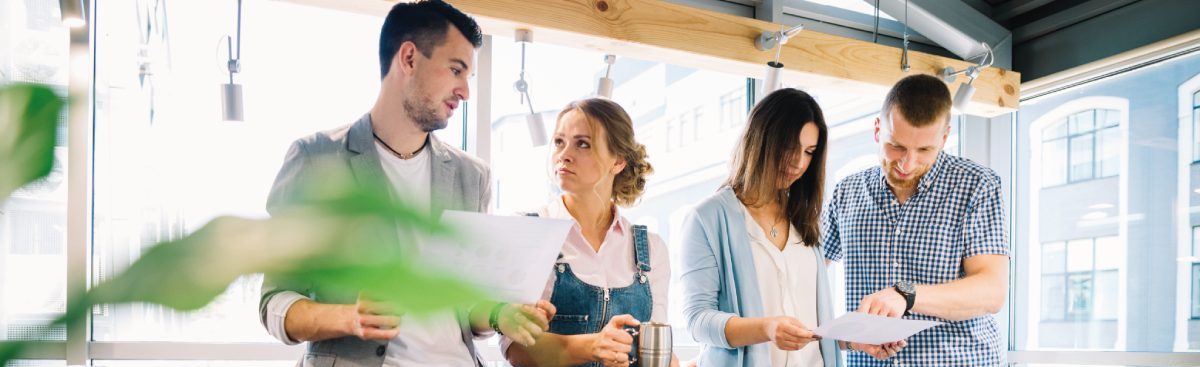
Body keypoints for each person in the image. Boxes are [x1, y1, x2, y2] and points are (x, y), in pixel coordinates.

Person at [258, 1, 550, 366]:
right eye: (456, 70)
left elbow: (465, 304)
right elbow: (275, 302)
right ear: (409, 58)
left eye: (468, 78)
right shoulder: (315, 159)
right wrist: (348, 317)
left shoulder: (472, 175)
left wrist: (499, 315)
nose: (465, 92)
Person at [822, 74, 1009, 366]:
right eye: (896, 146)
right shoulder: (846, 192)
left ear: (944, 138)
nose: (907, 164)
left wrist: (906, 295)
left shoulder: (977, 185)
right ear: (877, 130)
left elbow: (991, 292)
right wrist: (844, 338)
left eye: (924, 150)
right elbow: (808, 277)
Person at [681, 88, 865, 366]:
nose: (798, 163)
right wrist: (766, 328)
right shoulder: (707, 218)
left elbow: (808, 322)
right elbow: (698, 320)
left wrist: (851, 340)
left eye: (809, 152)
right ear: (762, 140)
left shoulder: (805, 216)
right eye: (789, 148)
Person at [503, 98, 678, 367]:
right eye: (560, 142)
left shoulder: (651, 249)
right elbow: (515, 349)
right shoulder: (529, 232)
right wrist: (593, 347)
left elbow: (652, 349)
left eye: (582, 144)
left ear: (618, 160)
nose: (564, 154)